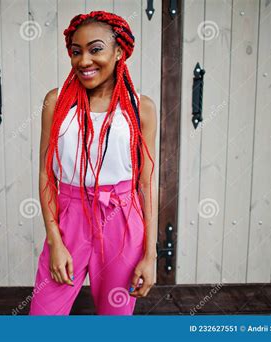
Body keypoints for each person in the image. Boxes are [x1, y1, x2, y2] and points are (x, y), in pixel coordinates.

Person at [29, 11, 158, 315]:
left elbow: (146, 183)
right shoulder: (56, 102)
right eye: (76, 52)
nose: (84, 60)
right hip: (70, 218)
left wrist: (150, 254)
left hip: (122, 220)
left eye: (95, 49)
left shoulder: (141, 108)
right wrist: (55, 240)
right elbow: (47, 174)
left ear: (119, 52)